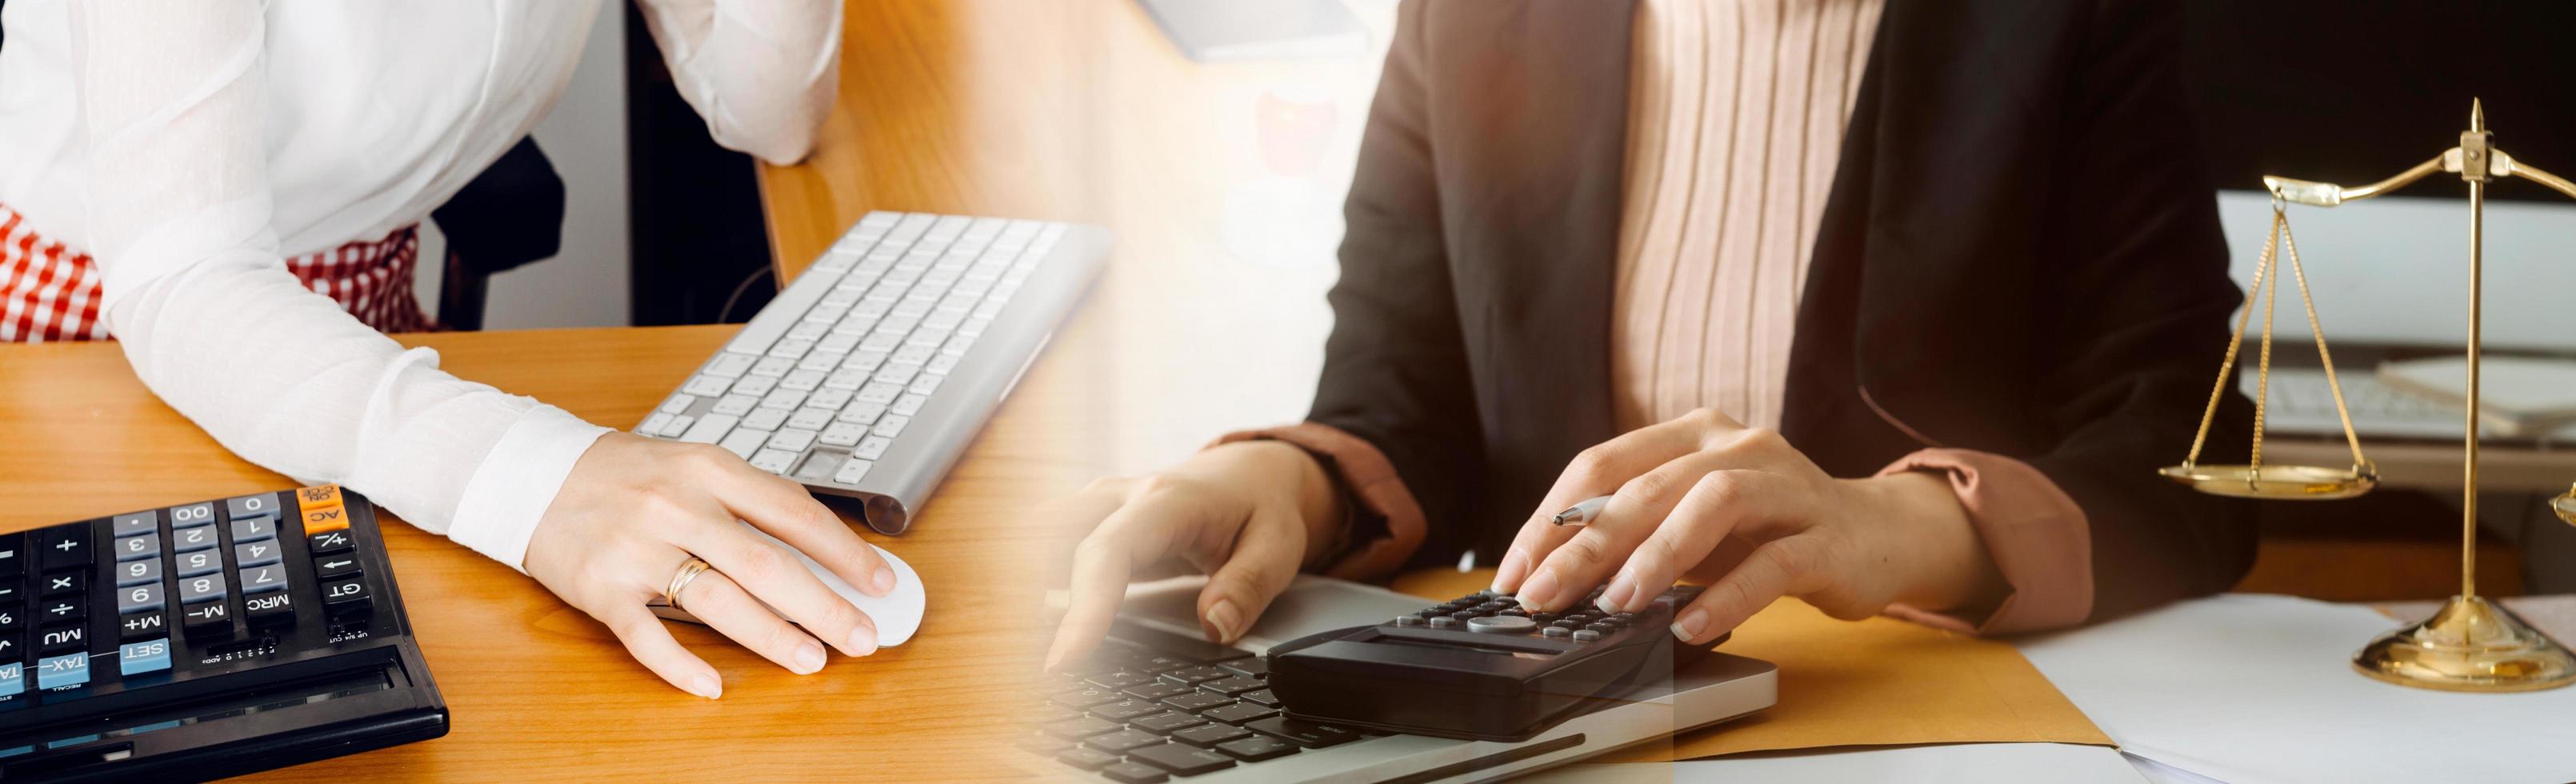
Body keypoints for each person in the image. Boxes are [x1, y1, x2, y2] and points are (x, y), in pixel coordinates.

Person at [1043, 0, 2259, 670]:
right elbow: (1404, 405)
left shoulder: (2072, 22)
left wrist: (1895, 526)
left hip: (1899, 717)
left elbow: (2190, 460)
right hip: (1546, 731)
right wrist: (1286, 478)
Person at [0, 1, 884, 698]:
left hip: (355, 334)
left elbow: (766, 115)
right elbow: (186, 276)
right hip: (91, 347)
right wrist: (543, 483)